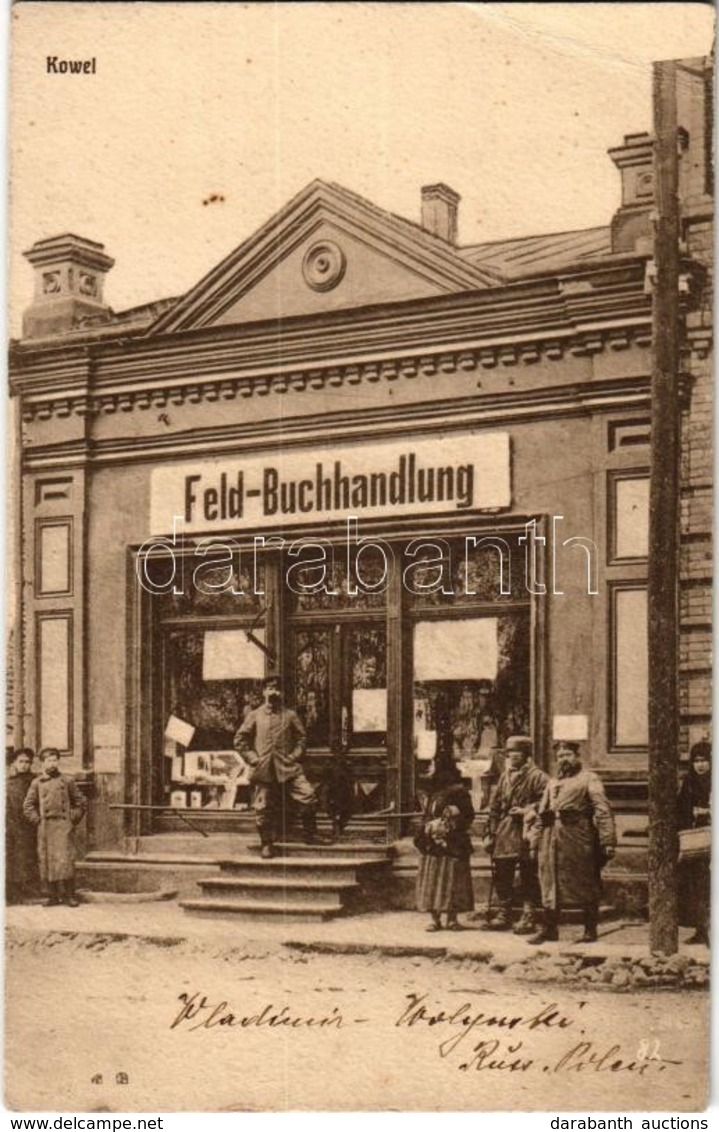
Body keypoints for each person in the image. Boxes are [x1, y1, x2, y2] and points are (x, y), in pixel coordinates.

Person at [528, 741, 616, 944]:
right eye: (560, 756)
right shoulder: (552, 783)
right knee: (549, 881)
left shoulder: (589, 779)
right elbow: (542, 814)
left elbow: (602, 810)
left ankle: (589, 930)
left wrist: (607, 840)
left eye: (568, 754)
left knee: (584, 881)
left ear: (577, 757)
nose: (563, 759)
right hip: (551, 839)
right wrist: (534, 841)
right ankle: (550, 929)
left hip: (579, 836)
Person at [233, 675, 318, 858]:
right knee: (262, 808)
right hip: (263, 769)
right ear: (264, 692)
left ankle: (310, 836)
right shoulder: (254, 715)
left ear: (282, 692)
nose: (273, 691)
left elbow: (302, 739)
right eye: (270, 688)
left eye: (277, 688)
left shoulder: (290, 715)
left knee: (308, 795)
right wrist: (253, 759)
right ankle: (266, 844)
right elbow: (240, 740)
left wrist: (293, 756)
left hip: (288, 768)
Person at [481, 735, 548, 933]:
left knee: (528, 872)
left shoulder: (539, 777)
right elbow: (494, 807)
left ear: (527, 755)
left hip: (528, 831)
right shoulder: (504, 777)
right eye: (510, 754)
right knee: (502, 871)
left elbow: (549, 802)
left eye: (518, 753)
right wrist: (490, 833)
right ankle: (504, 912)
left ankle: (529, 913)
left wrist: (528, 809)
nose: (513, 757)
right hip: (505, 830)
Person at [415, 760, 475, 931]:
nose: (429, 769)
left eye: (433, 766)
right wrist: (428, 828)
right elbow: (426, 815)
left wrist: (450, 825)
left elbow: (468, 816)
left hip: (452, 843)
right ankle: (434, 918)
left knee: (452, 879)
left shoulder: (459, 792)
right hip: (433, 844)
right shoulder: (433, 793)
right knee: (433, 879)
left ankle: (452, 918)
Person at [23, 748, 86, 907]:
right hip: (45, 827)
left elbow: (81, 802)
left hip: (64, 826)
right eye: (49, 760)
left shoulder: (67, 781)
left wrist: (74, 817)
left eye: (55, 760)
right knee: (47, 861)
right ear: (42, 763)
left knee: (65, 860)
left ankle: (69, 895)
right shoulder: (37, 783)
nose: (53, 763)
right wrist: (37, 820)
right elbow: (28, 805)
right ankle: (52, 895)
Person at [677, 740, 711, 946]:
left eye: (704, 760)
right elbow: (680, 807)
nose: (700, 765)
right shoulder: (689, 783)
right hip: (695, 842)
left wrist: (707, 812)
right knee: (697, 887)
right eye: (696, 761)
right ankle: (701, 929)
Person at [6, 747, 40, 904]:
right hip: (10, 825)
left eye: (27, 762)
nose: (24, 765)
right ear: (14, 762)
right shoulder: (7, 781)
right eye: (21, 761)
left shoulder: (35, 781)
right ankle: (11, 891)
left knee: (27, 857)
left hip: (28, 825)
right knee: (11, 858)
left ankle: (28, 891)